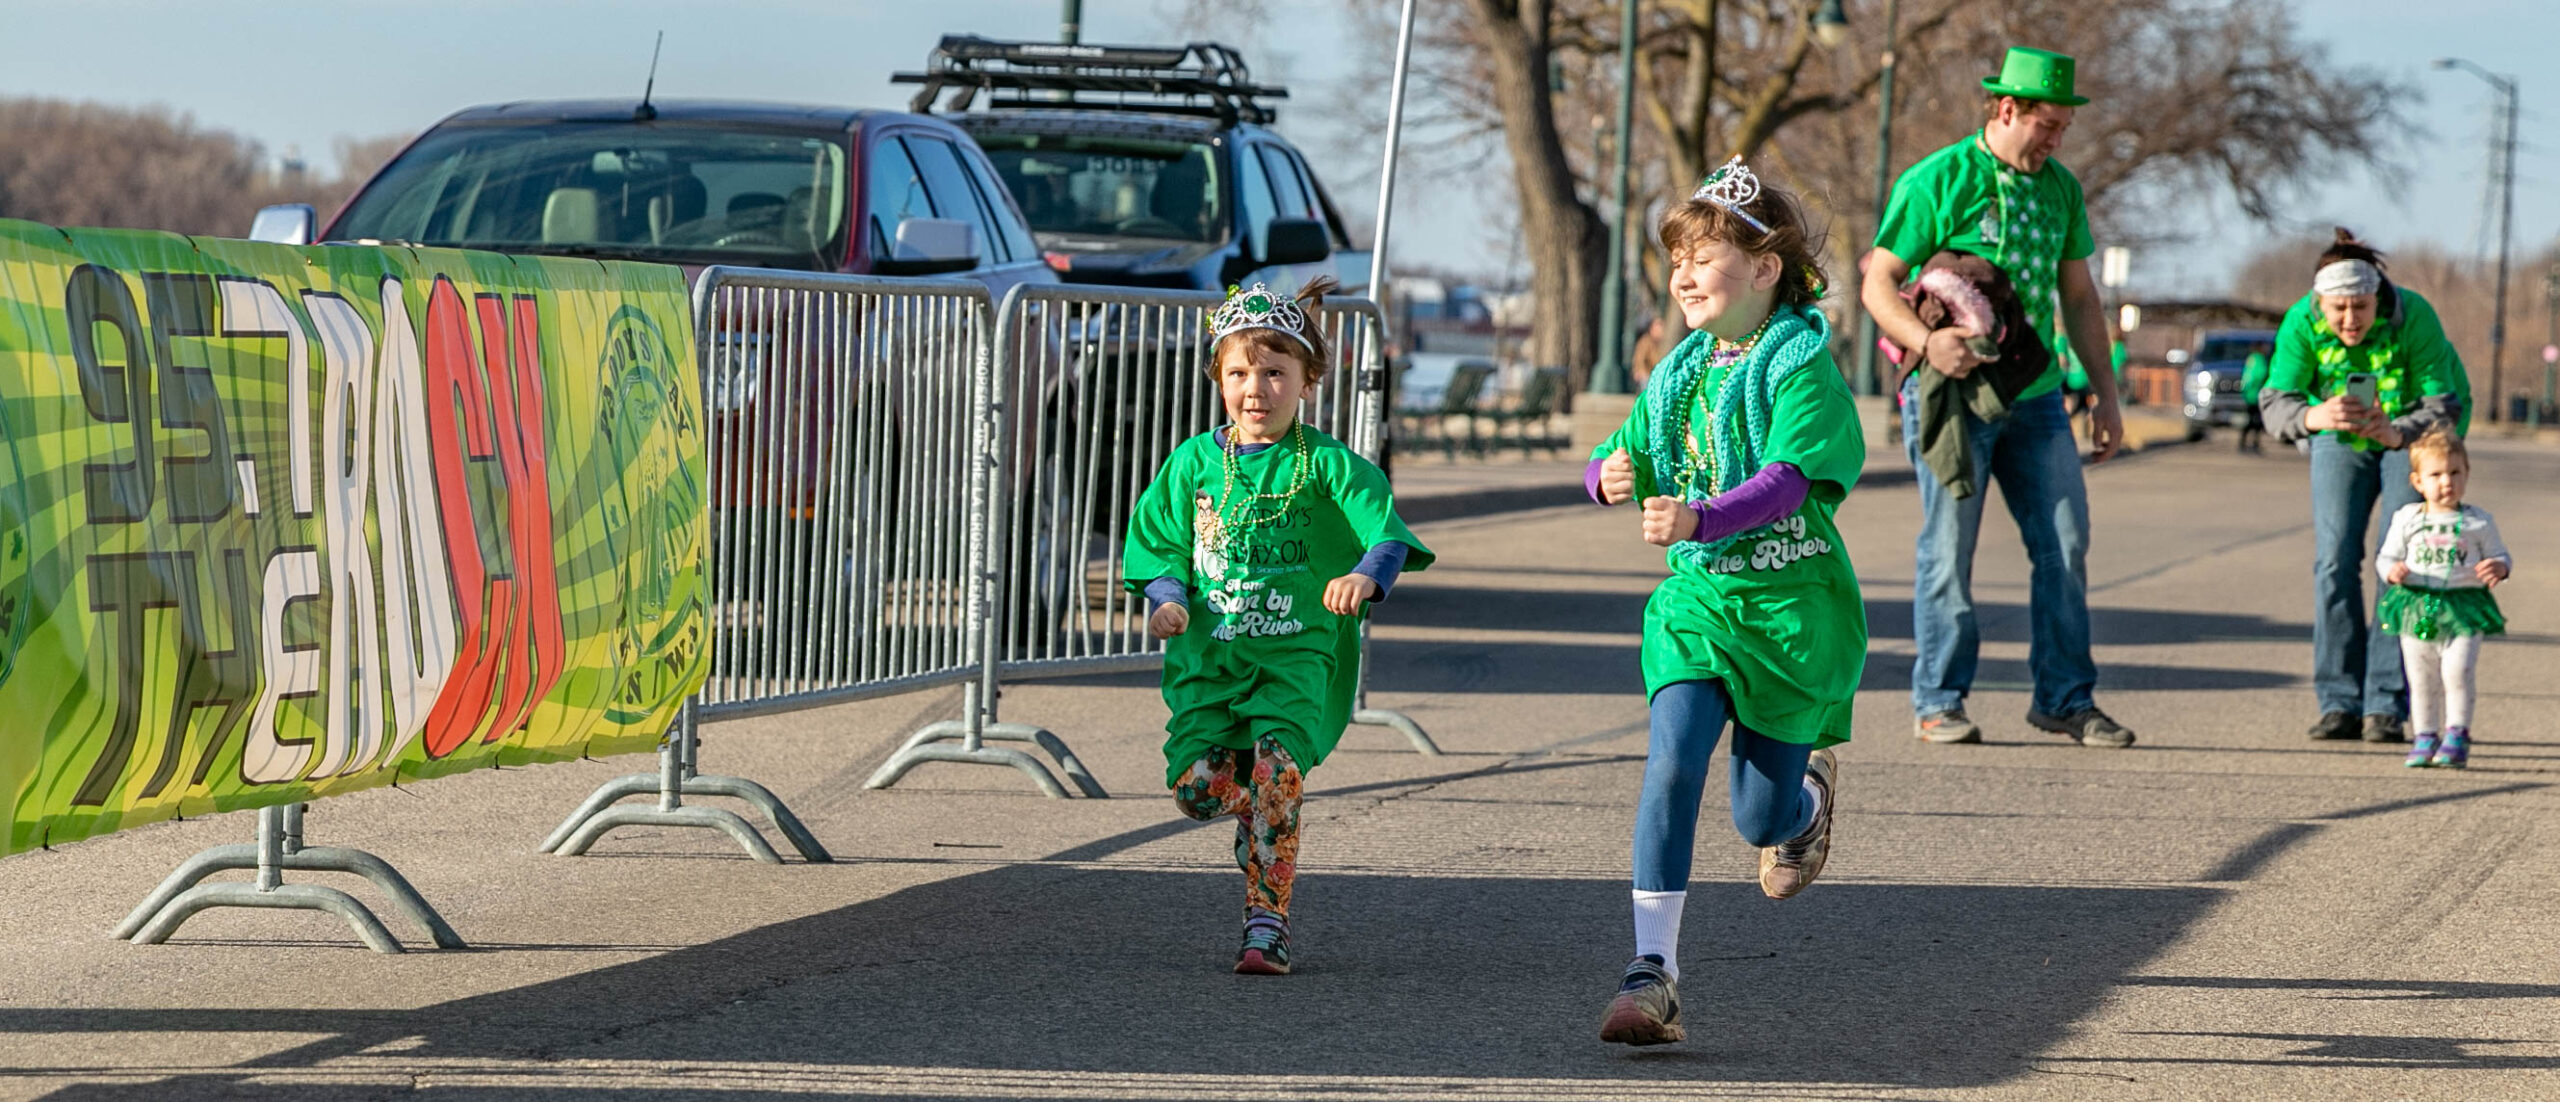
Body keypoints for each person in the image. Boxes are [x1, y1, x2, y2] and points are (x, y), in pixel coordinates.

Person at [1583, 157, 1866, 1046]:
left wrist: (1702, 515)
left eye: (1703, 257)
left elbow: (1789, 481)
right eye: (1676, 260)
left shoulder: (1802, 367)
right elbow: (1613, 453)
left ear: (1766, 267)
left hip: (1789, 613)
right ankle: (1651, 971)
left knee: (1757, 817)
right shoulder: (1679, 373)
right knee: (1672, 762)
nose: (1683, 275)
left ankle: (1803, 808)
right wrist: (1604, 475)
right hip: (1699, 603)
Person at [1123, 277, 1434, 976]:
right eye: (1239, 373)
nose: (1255, 389)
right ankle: (1262, 815)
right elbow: (1159, 545)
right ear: (1218, 378)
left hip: (1295, 656)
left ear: (1307, 381)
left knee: (1278, 768)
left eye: (1274, 373)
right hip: (1211, 660)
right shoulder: (1193, 464)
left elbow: (1385, 534)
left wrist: (1365, 576)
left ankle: (1267, 923)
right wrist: (1167, 599)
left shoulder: (1326, 464)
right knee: (1195, 790)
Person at [1857, 46, 2134, 748]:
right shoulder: (1940, 179)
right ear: (2007, 109)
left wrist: (2106, 395)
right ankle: (1939, 699)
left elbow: (2080, 297)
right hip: (1951, 396)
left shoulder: (2061, 190)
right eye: (2048, 125)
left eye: (2064, 127)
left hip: (2036, 396)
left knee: (2065, 542)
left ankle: (2065, 699)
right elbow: (1878, 283)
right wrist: (1926, 344)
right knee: (1949, 547)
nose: (2057, 139)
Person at [2258, 229, 2466, 744]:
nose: (2350, 319)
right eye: (2339, 309)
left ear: (2378, 298)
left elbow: (2444, 404)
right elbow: (2275, 403)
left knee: (2400, 560)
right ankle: (2339, 701)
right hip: (2338, 431)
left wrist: (2397, 433)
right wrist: (2314, 416)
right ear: (2320, 304)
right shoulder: (2300, 322)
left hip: (2411, 433)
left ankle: (2384, 704)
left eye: (2361, 307)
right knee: (2334, 559)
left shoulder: (2414, 315)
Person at [2374, 427, 2509, 768]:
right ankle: (2424, 736)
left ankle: (2457, 734)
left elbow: (2500, 555)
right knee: (2421, 676)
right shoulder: (2407, 518)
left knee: (2457, 670)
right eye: (2435, 475)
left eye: (2455, 472)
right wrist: (2391, 571)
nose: (2446, 482)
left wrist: (2499, 566)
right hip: (2418, 605)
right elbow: (2386, 556)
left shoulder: (2478, 521)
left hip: (2463, 607)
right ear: (2417, 481)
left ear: (2466, 474)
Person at [2238, 350, 2271, 454]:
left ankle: (2245, 443)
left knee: (2251, 420)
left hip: (2249, 395)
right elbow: (2261, 374)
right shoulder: (2259, 359)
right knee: (2255, 421)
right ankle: (2252, 443)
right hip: (2256, 395)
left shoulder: (2251, 358)